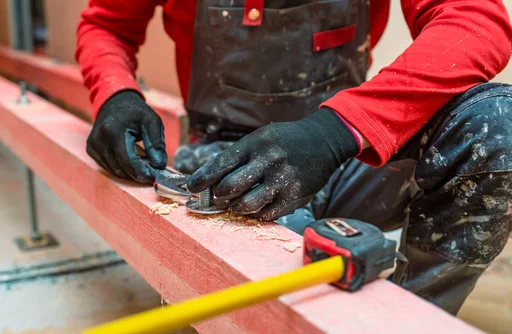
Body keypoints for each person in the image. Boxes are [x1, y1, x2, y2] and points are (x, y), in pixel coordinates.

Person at [76, 1, 512, 316]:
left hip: (350, 149)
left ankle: (416, 327)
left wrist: (334, 131)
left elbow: (475, 22)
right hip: (228, 161)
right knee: (259, 317)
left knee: (497, 124)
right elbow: (107, 27)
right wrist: (114, 91)